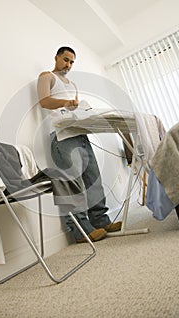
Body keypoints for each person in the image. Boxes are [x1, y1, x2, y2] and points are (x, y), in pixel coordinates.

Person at [37, 46, 122, 243]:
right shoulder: (47, 76)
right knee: (73, 184)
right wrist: (66, 104)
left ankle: (100, 220)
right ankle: (81, 230)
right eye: (66, 60)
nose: (68, 65)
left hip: (79, 133)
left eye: (72, 62)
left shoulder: (72, 84)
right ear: (56, 57)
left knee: (94, 179)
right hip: (61, 136)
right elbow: (44, 101)